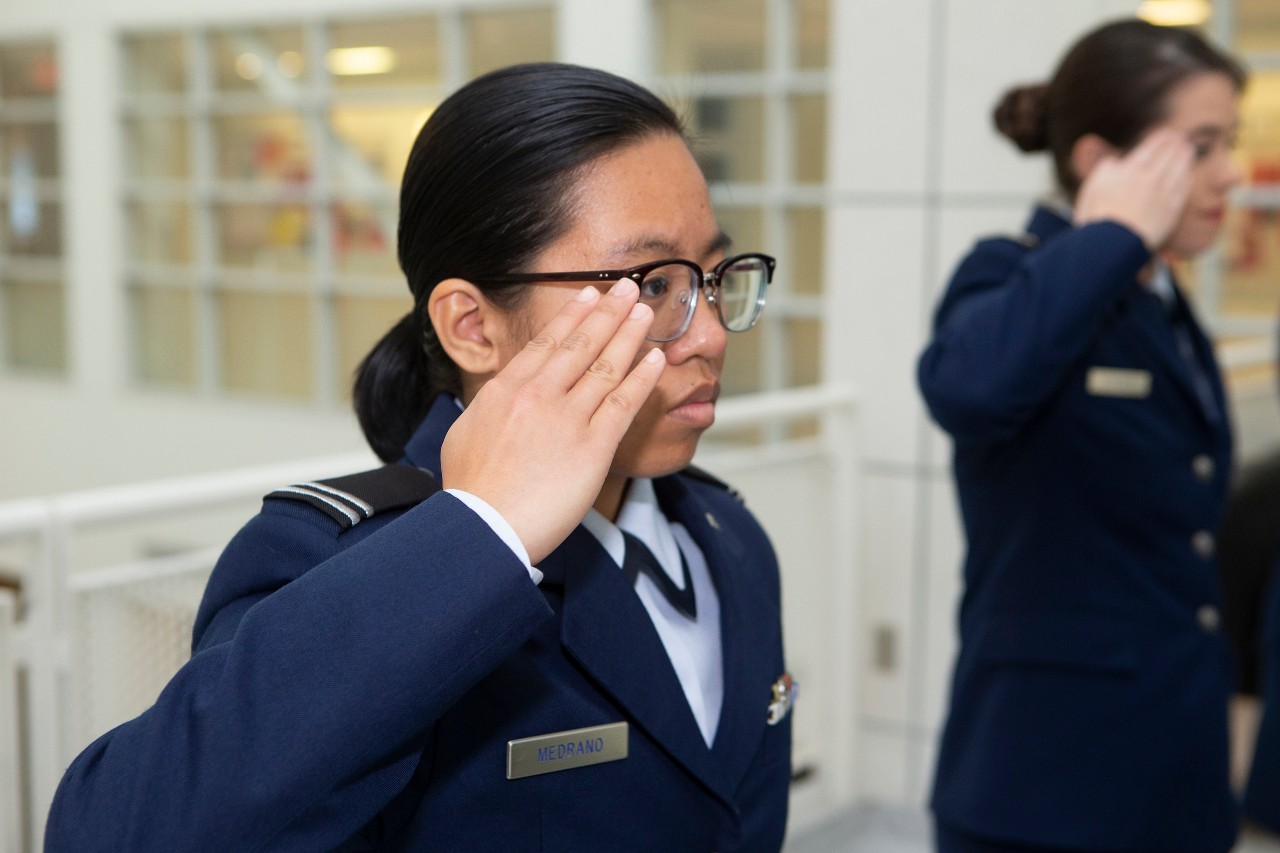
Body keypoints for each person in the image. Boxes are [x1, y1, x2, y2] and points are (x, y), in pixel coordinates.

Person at [44, 63, 792, 852]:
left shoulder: (725, 539)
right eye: (651, 284)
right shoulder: (337, 558)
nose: (709, 332)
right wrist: (484, 534)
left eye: (711, 276)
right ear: (472, 326)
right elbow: (115, 833)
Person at [918, 19, 1245, 852]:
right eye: (1201, 147)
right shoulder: (1012, 271)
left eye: (1228, 144)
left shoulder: (1165, 304)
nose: (1230, 175)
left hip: (1172, 771)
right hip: (1045, 787)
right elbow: (967, 387)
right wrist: (1110, 235)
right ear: (1103, 162)